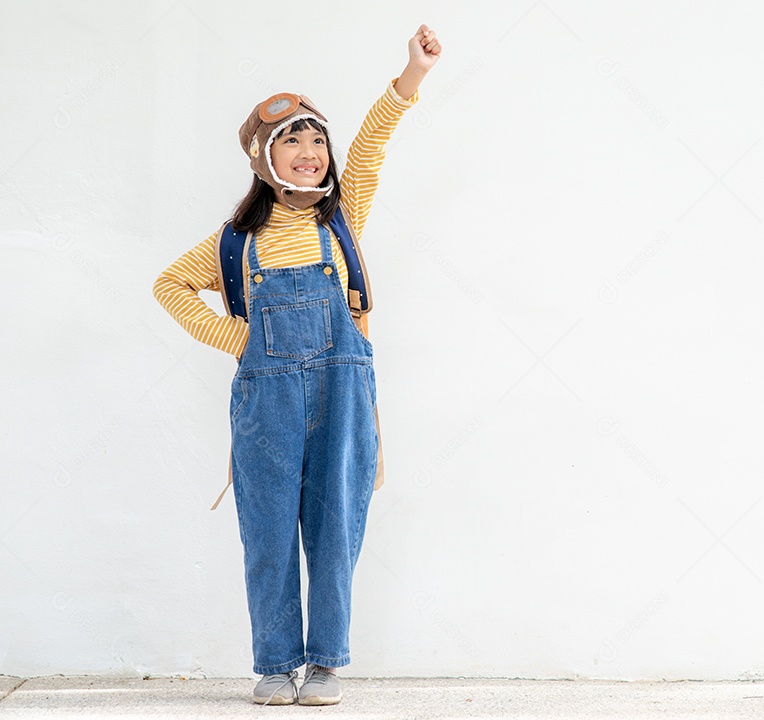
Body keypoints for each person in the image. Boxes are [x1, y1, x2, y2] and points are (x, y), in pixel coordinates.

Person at [152, 24, 441, 706]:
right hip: (266, 405)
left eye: (317, 140)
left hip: (343, 392)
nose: (310, 153)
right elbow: (169, 285)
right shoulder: (233, 242)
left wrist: (412, 76)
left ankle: (324, 665)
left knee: (335, 526)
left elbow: (370, 147)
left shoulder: (343, 218)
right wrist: (236, 339)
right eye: (293, 140)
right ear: (263, 158)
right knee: (268, 530)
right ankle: (275, 663)